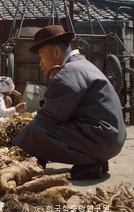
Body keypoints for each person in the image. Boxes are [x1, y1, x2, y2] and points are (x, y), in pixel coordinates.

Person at [13, 25, 127, 180]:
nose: (40, 63)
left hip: (102, 140)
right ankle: (95, 160)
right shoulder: (83, 65)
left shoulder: (68, 73)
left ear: (56, 52)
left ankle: (89, 162)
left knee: (36, 129)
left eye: (41, 56)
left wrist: (21, 143)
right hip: (111, 139)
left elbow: (49, 116)